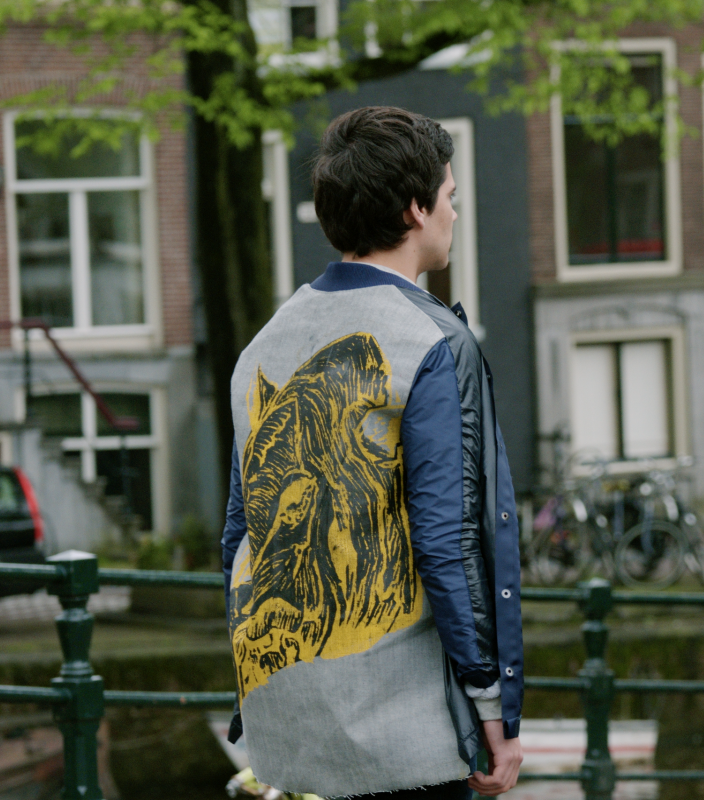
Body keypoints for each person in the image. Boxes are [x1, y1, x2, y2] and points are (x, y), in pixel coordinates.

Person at [219, 105, 524, 800]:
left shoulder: (265, 343)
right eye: (450, 196)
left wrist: (255, 692)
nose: (454, 213)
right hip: (404, 739)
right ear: (417, 209)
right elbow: (447, 540)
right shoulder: (430, 341)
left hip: (289, 726)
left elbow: (241, 535)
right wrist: (493, 706)